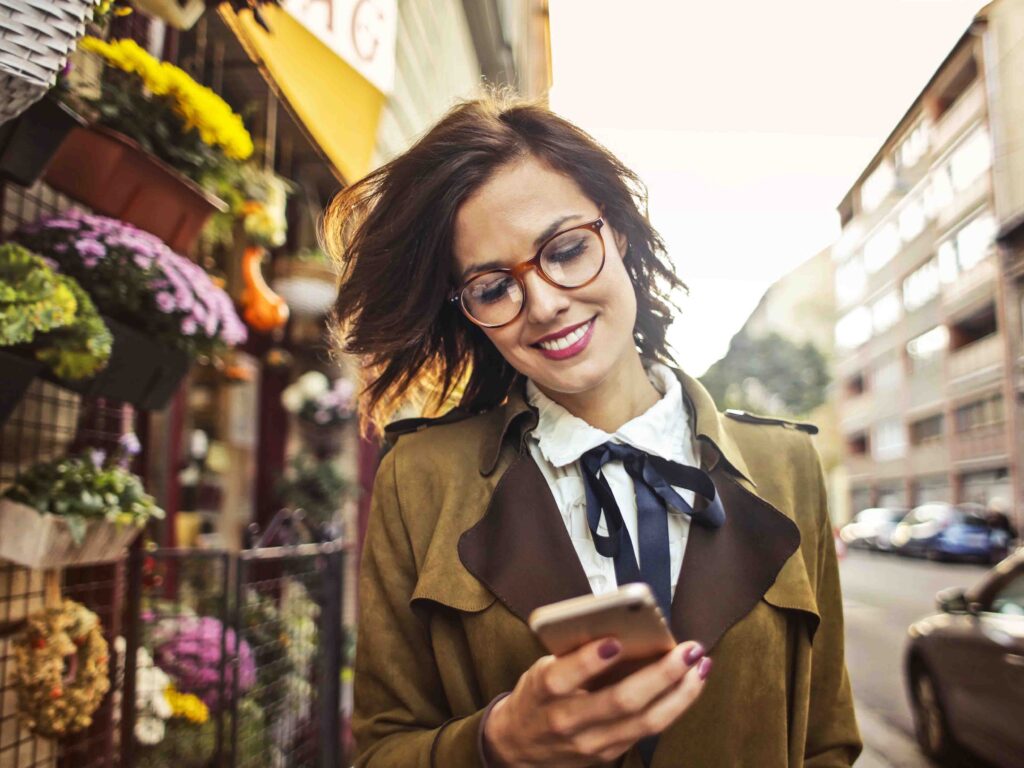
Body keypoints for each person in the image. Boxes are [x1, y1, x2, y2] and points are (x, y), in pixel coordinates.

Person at [324, 92, 862, 767]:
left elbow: (828, 742)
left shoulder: (787, 465)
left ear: (619, 234)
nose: (545, 304)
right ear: (469, 313)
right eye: (493, 288)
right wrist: (497, 742)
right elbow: (380, 751)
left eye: (567, 249)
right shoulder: (421, 478)